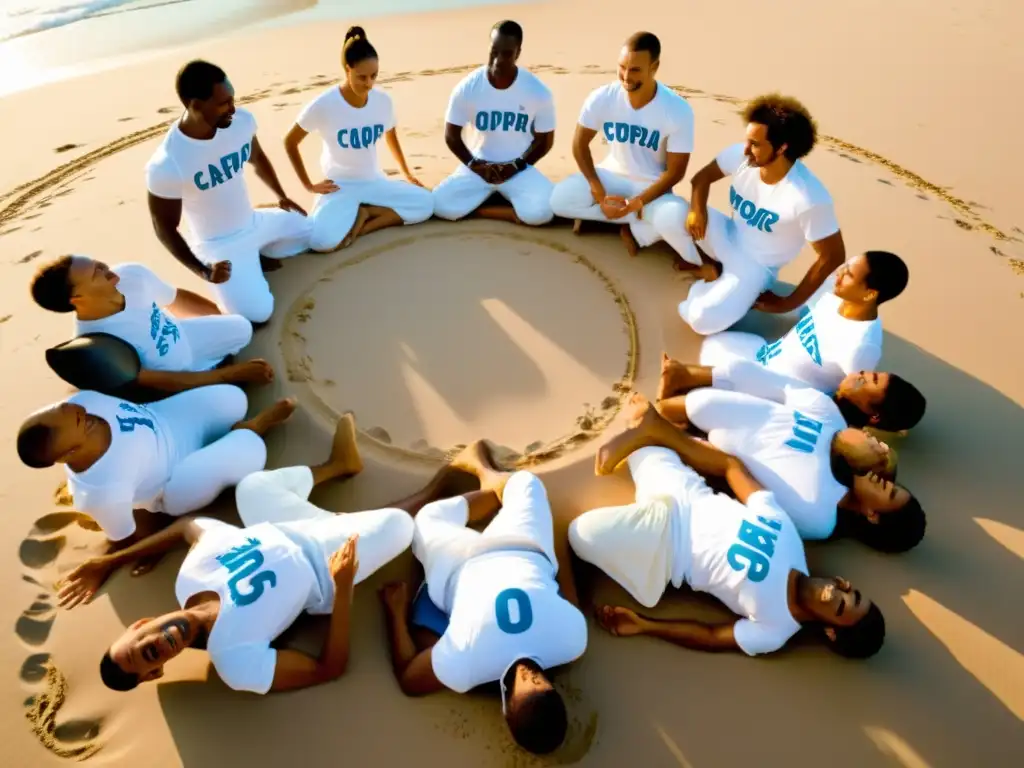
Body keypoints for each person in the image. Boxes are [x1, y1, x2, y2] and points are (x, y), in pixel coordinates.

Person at [57, 414, 417, 695]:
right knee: (400, 524)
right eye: (150, 655)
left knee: (252, 488)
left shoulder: (191, 577)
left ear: (140, 623)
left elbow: (188, 527)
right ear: (156, 672)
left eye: (142, 639)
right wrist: (342, 589)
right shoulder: (234, 661)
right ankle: (442, 484)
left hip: (285, 525)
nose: (155, 641)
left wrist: (110, 561)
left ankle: (339, 466)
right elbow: (328, 668)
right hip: (324, 565)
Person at [570, 394, 886, 658]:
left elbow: (710, 635)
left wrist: (646, 625)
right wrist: (667, 434)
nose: (836, 592)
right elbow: (732, 468)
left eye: (841, 607)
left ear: (830, 630)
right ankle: (653, 435)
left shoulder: (775, 630)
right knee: (637, 419)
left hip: (664, 547)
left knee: (580, 533)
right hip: (685, 492)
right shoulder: (791, 540)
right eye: (850, 593)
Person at [380, 441, 587, 756]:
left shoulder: (572, 644)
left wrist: (553, 552)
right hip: (517, 549)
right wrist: (552, 555)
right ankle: (487, 477)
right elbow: (409, 679)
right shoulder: (465, 666)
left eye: (527, 686)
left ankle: (490, 485)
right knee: (522, 484)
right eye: (539, 683)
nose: (528, 675)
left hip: (475, 558)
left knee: (434, 517)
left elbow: (566, 593)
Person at [655, 356, 927, 551]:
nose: (886, 483)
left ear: (872, 514)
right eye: (894, 485)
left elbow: (739, 484)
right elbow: (777, 385)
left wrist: (686, 444)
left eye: (889, 493)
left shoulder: (819, 517)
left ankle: (664, 427)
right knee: (710, 399)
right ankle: (676, 393)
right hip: (721, 416)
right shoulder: (837, 429)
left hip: (715, 454)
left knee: (707, 423)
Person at [16, 386, 295, 547]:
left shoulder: (81, 402)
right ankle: (253, 428)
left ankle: (231, 434)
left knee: (236, 398)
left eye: (65, 407)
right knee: (251, 446)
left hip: (167, 422)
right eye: (78, 420)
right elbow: (128, 537)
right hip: (173, 482)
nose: (79, 410)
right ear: (70, 453)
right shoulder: (100, 492)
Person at [146, 60, 311, 324]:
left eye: (232, 99)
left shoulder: (240, 122)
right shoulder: (168, 163)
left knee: (314, 233)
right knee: (257, 315)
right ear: (195, 104)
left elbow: (256, 156)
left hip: (254, 222)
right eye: (223, 103)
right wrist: (204, 271)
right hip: (219, 245)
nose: (233, 109)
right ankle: (248, 267)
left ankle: (256, 258)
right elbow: (164, 228)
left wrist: (281, 195)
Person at [679, 94, 845, 335]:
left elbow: (833, 255)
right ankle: (713, 269)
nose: (746, 150)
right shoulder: (742, 157)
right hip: (725, 234)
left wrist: (788, 303)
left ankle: (716, 281)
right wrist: (697, 210)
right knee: (671, 212)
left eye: (755, 144)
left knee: (703, 320)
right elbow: (701, 179)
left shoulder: (809, 197)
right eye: (747, 140)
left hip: (755, 266)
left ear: (782, 148)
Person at [283, 26, 433, 252]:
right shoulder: (325, 104)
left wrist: (406, 173)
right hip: (339, 186)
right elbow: (290, 141)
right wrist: (309, 185)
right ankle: (362, 212)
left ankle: (366, 219)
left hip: (374, 181)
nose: (369, 83)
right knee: (321, 243)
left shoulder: (383, 101)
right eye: (362, 77)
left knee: (427, 204)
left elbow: (391, 134)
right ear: (347, 69)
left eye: (374, 76)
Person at [30, 255, 272, 394]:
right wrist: (229, 374)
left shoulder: (131, 275)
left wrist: (217, 317)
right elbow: (158, 382)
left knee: (241, 327)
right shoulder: (95, 344)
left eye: (97, 262)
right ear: (77, 299)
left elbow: (176, 298)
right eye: (95, 273)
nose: (105, 268)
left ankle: (216, 366)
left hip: (185, 338)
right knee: (231, 398)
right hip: (176, 384)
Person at [549, 31, 696, 260]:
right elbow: (579, 144)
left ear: (654, 67)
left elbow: (676, 172)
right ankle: (628, 222)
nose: (626, 76)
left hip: (650, 186)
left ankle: (617, 221)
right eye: (622, 67)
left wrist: (637, 202)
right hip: (610, 178)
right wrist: (596, 188)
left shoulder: (677, 109)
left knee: (675, 219)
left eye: (635, 69)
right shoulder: (602, 97)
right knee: (559, 200)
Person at [700, 251, 910, 394]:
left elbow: (853, 394)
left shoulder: (861, 345)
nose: (839, 274)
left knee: (720, 375)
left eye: (849, 275)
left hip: (784, 390)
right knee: (713, 340)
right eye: (845, 267)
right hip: (765, 355)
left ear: (869, 294)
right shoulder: (834, 293)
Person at [431, 21, 556, 226]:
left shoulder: (538, 92)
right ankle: (497, 198)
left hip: (518, 168)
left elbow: (545, 141)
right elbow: (451, 135)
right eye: (493, 51)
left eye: (506, 54)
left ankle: (485, 209)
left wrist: (516, 165)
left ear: (518, 53)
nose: (498, 60)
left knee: (543, 213)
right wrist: (474, 164)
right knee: (440, 205)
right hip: (478, 167)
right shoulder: (468, 87)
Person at [657, 352, 927, 434]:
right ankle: (682, 376)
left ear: (874, 415)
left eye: (871, 380)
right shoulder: (829, 397)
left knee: (748, 374)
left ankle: (674, 397)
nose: (860, 373)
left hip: (740, 431)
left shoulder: (832, 420)